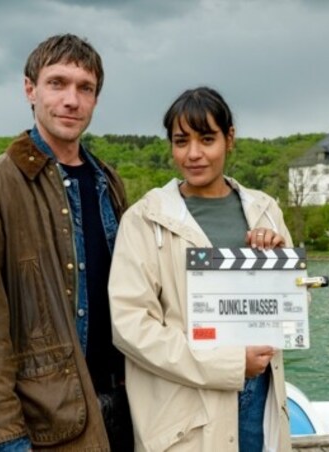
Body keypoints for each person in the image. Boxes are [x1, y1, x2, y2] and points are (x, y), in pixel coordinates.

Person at [0, 34, 132, 451]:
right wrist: (5, 439)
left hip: (124, 409)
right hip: (49, 423)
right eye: (57, 83)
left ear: (96, 99)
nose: (71, 100)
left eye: (85, 88)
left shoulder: (108, 182)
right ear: (30, 89)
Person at [108, 86, 293, 451]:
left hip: (259, 399)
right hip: (186, 412)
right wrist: (230, 362)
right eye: (181, 141)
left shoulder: (265, 209)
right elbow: (130, 327)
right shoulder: (145, 220)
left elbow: (292, 313)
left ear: (229, 139)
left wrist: (278, 267)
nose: (193, 154)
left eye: (207, 139)